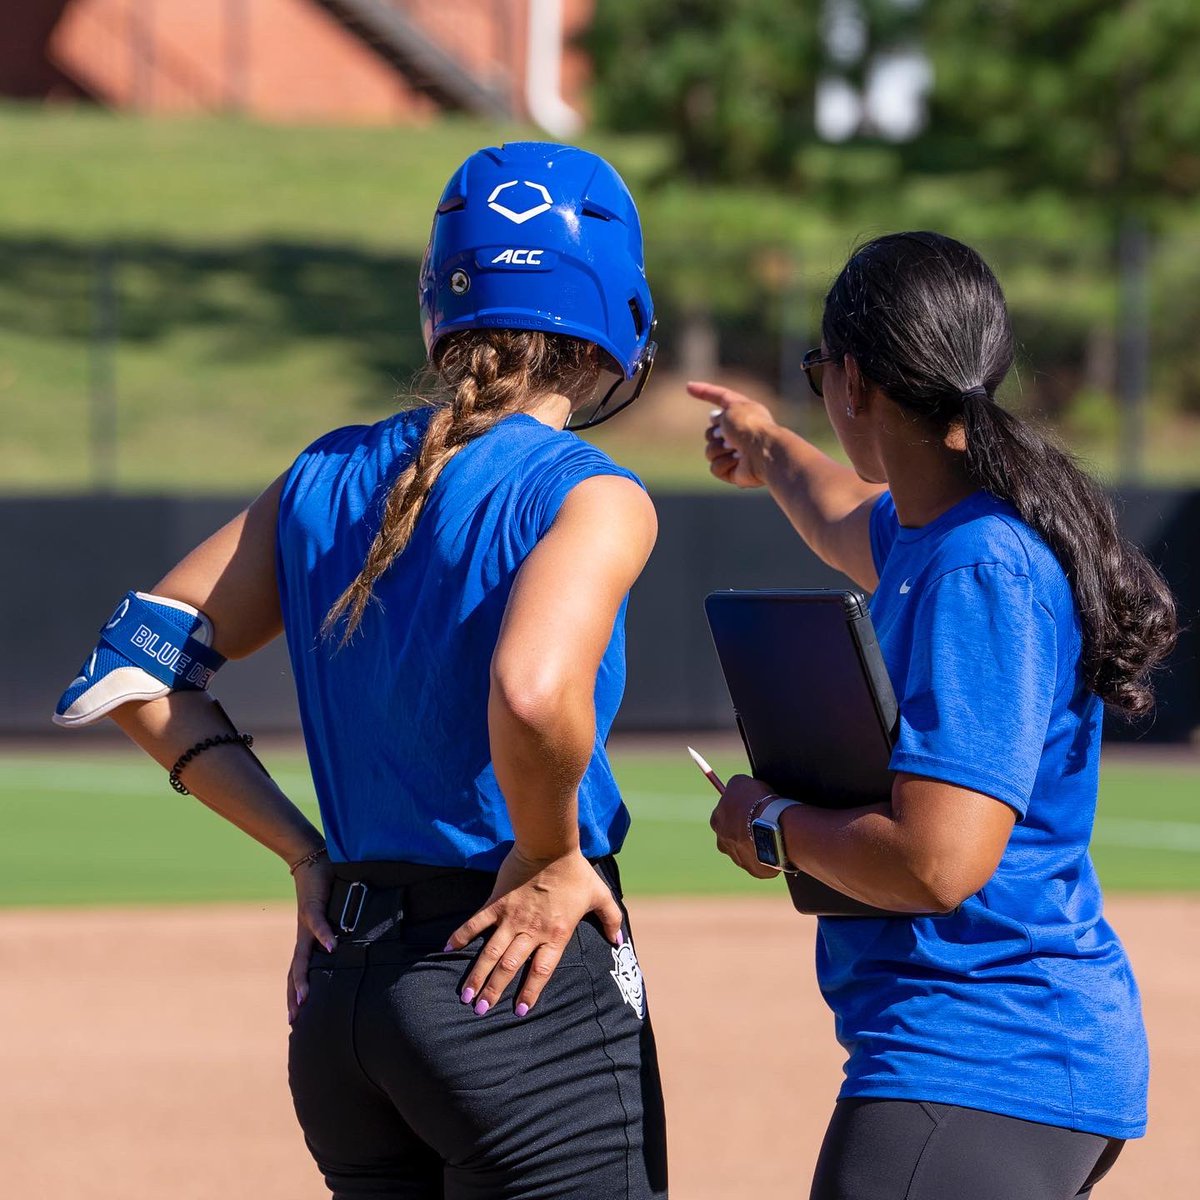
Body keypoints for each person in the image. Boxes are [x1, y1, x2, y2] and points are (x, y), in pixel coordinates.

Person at [54, 142, 667, 1199]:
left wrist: (305, 854)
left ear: (441, 297)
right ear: (618, 310)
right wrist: (549, 852)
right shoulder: (592, 493)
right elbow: (532, 692)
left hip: (345, 999)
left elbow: (132, 670)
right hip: (511, 985)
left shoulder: (323, 475)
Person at [694, 231, 1177, 1200]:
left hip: (984, 1054)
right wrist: (762, 440)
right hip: (991, 1064)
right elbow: (836, 509)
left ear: (854, 382)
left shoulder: (980, 564)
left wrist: (772, 823)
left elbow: (937, 862)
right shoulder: (935, 531)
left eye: (820, 371)